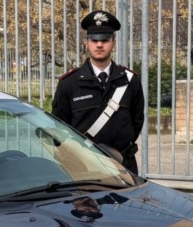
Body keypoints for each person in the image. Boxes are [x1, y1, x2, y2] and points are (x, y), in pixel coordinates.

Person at [50, 10, 146, 174]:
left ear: (113, 42)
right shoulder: (69, 83)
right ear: (87, 43)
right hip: (83, 167)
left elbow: (136, 122)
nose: (99, 45)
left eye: (105, 40)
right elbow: (60, 128)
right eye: (94, 40)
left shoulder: (130, 81)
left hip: (123, 165)